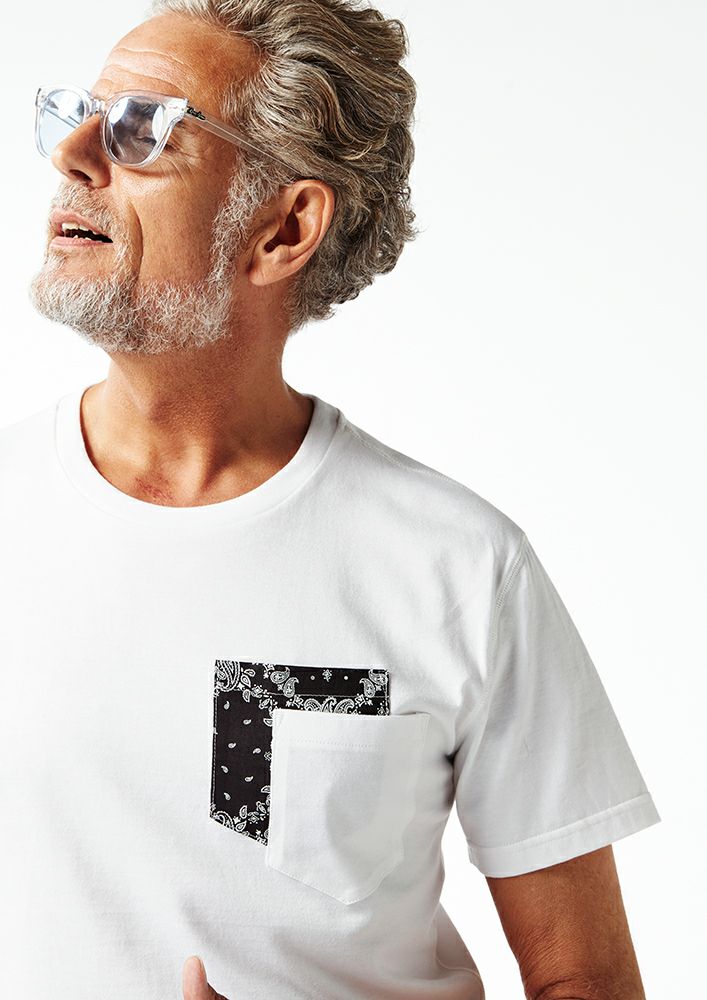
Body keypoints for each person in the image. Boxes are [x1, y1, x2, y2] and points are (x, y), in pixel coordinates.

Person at [1, 1, 661, 998]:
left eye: (142, 128)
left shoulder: (458, 566)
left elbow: (588, 978)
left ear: (284, 227)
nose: (75, 155)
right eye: (78, 113)